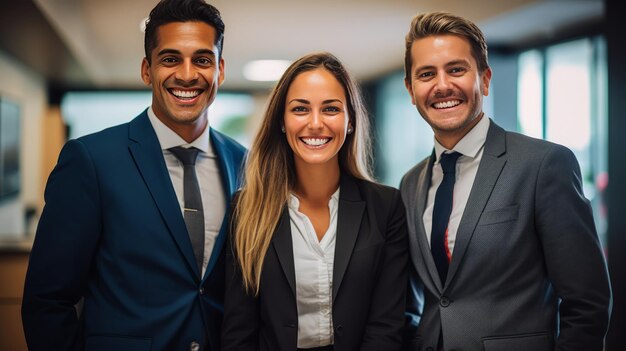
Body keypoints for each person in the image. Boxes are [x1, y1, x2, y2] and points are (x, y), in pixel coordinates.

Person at [21, 0, 245, 350]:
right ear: (146, 70)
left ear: (220, 70)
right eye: (170, 59)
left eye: (202, 60)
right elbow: (48, 300)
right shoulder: (91, 160)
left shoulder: (245, 163)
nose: (187, 74)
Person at [399, 11, 612, 351]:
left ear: (484, 79)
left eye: (456, 69)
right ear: (411, 90)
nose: (442, 85)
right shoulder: (410, 184)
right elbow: (417, 303)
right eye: (426, 74)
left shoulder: (544, 165)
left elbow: (588, 304)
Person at [221, 52, 409, 351]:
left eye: (331, 109)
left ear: (350, 121)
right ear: (282, 122)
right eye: (300, 109)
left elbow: (386, 325)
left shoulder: (386, 207)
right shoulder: (245, 209)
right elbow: (238, 330)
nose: (315, 123)